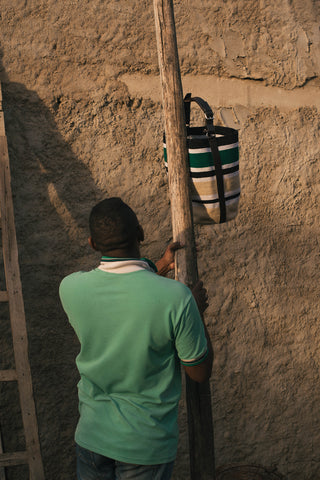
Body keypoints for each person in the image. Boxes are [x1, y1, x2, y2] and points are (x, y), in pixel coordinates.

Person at [59, 197, 213, 480]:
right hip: (145, 446)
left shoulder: (70, 288)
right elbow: (199, 372)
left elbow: (125, 286)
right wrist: (196, 313)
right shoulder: (177, 298)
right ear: (141, 234)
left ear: (93, 244)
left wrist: (161, 265)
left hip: (92, 439)